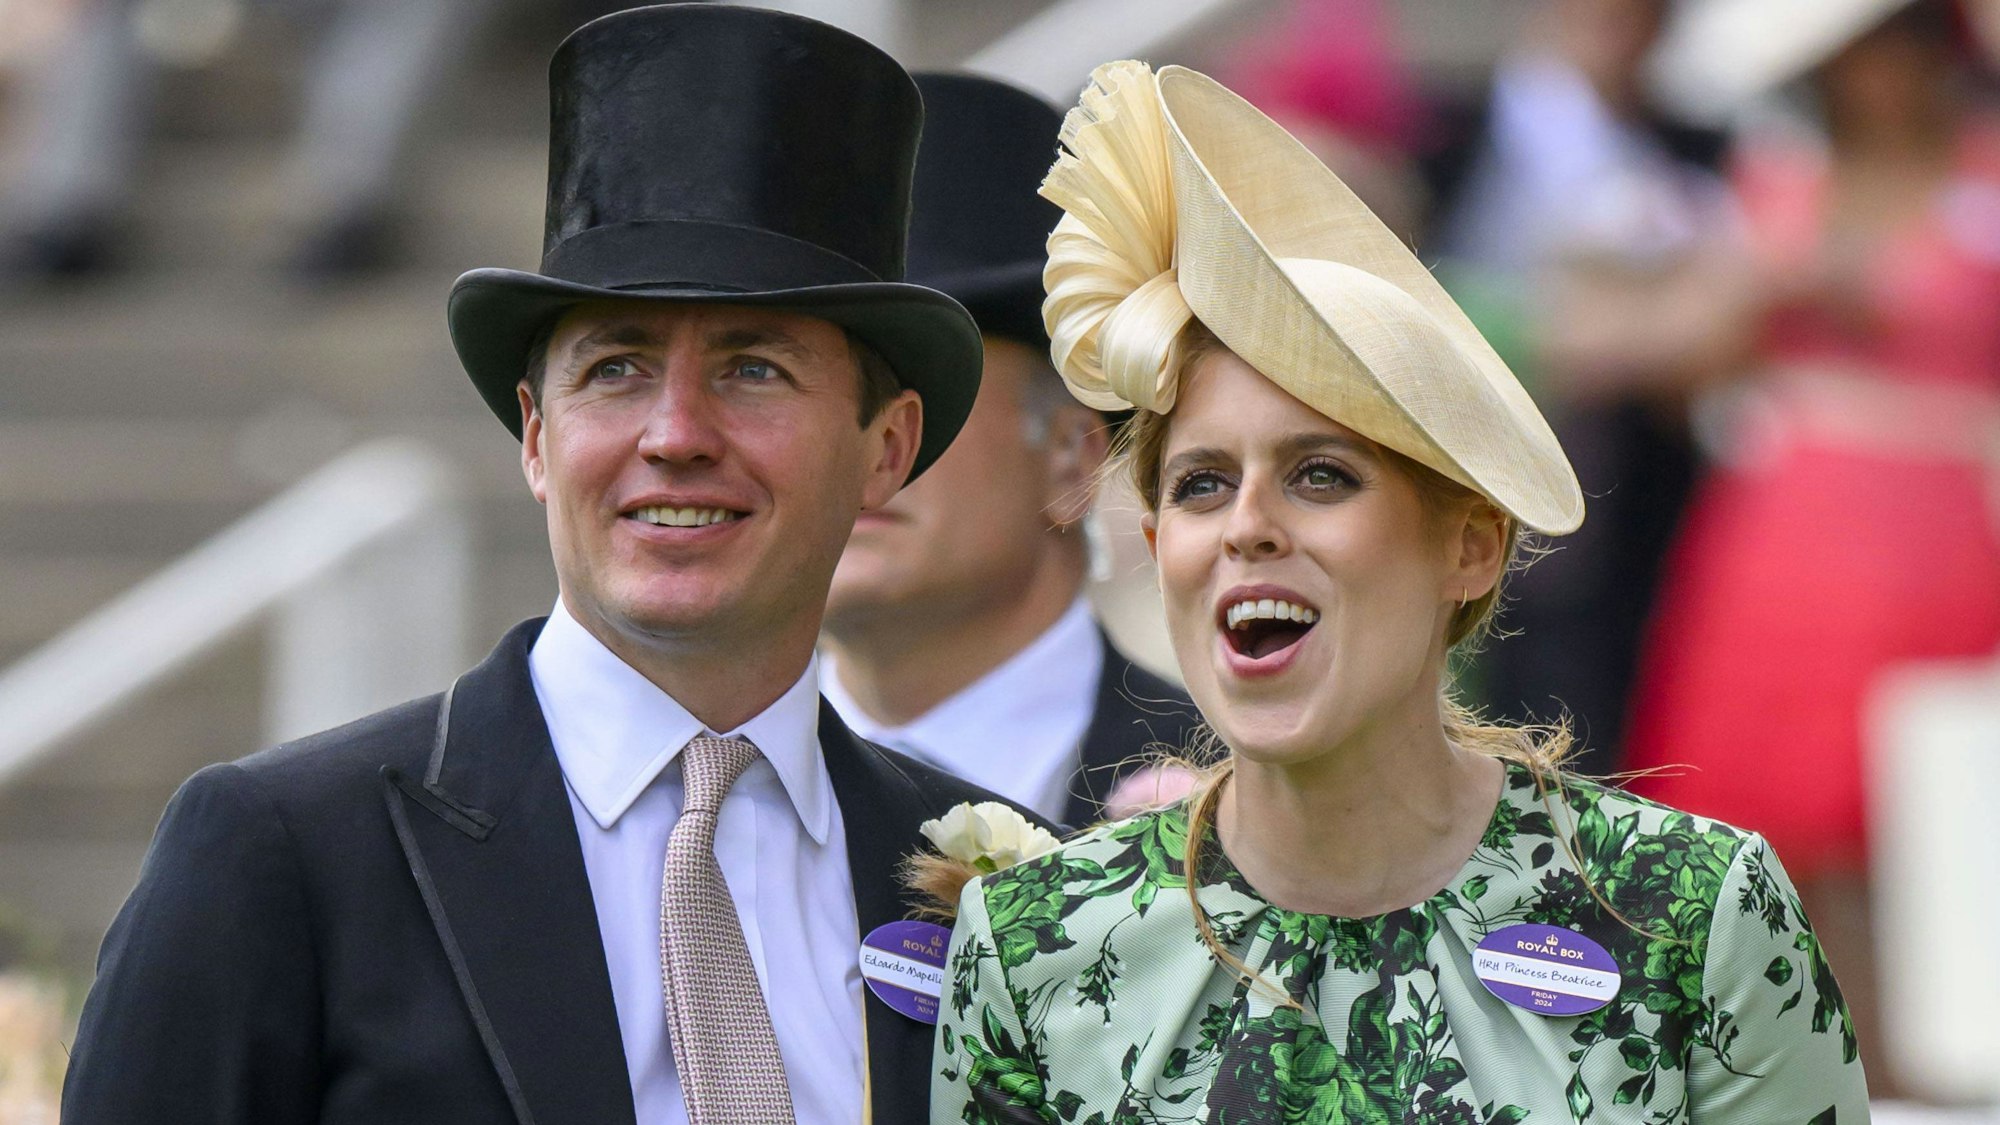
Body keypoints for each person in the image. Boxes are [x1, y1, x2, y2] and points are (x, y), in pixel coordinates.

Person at [61, 8, 1046, 1124]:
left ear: (887, 449)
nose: (674, 432)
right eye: (616, 368)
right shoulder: (281, 855)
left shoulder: (1009, 888)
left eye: (754, 369)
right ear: (535, 437)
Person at [933, 61, 1866, 1121]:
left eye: (1319, 474)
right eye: (1201, 485)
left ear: (1469, 545)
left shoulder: (1693, 915)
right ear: (1155, 544)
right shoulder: (1031, 946)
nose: (1246, 525)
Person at [1628, 0, 2000, 1091]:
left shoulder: (1984, 173)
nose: (1874, 78)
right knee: (1785, 813)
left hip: (1944, 528)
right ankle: (1823, 1075)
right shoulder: (1772, 191)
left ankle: (1938, 1072)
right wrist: (1766, 286)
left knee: (1934, 809)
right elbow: (1682, 367)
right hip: (1785, 535)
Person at [822, 72, 1200, 828]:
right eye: (803, 392)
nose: (858, 448)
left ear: (1070, 456)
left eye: (915, 392)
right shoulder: (694, 793)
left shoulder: (1252, 801)